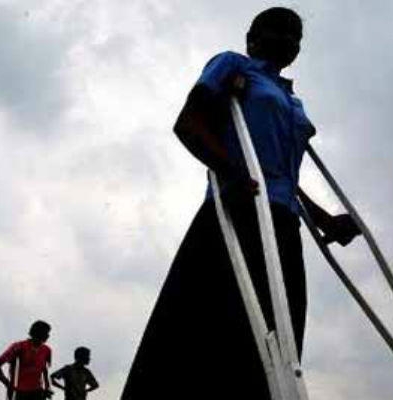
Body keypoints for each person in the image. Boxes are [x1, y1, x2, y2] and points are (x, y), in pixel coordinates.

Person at [121, 7, 361, 400]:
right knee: (212, 330)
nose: (288, 40)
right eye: (277, 30)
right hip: (236, 210)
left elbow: (284, 176)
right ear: (252, 38)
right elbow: (189, 123)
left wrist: (324, 220)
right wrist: (231, 171)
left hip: (283, 222)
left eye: (296, 35)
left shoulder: (293, 100)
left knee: (278, 335)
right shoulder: (234, 65)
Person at [0, 320, 54, 400]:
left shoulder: (47, 350)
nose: (48, 336)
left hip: (38, 392)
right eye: (46, 333)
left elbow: (44, 369)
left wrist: (47, 388)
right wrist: (8, 384)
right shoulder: (18, 347)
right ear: (38, 333)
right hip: (19, 392)